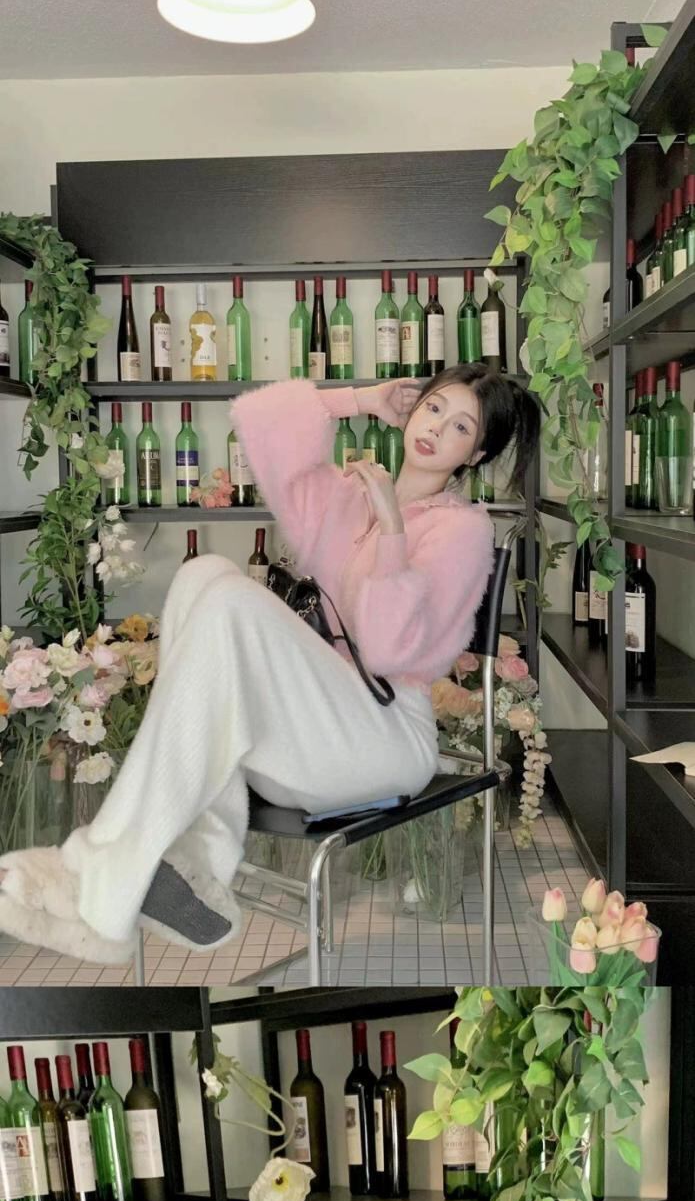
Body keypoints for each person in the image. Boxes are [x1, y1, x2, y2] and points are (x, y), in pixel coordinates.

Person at [0, 364, 537, 965]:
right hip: (309, 734)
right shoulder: (351, 494)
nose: (436, 428)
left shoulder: (462, 531)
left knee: (230, 596)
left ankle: (106, 880)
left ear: (476, 453)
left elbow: (391, 651)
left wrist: (392, 527)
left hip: (385, 740)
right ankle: (192, 865)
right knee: (204, 574)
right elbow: (259, 421)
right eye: (434, 407)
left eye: (461, 426)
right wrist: (360, 399)